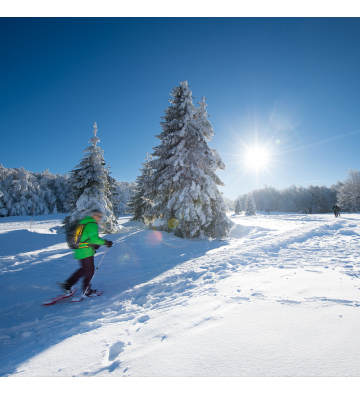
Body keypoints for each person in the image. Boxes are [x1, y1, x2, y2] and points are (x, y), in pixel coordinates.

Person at [59, 209, 113, 296]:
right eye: (99, 216)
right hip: (85, 251)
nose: (100, 218)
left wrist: (93, 245)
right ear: (94, 215)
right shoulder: (92, 224)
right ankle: (86, 290)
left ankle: (68, 285)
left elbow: (85, 237)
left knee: (85, 269)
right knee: (89, 271)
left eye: (101, 216)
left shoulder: (84, 222)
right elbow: (95, 239)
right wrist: (107, 242)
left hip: (80, 250)